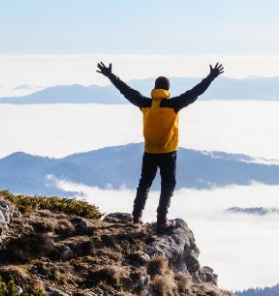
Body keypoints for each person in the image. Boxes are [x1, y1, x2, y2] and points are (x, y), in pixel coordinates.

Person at [96, 61, 224, 233]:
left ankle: (136, 218)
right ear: (167, 89)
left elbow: (125, 90)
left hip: (150, 151)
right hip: (168, 153)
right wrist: (211, 76)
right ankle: (162, 221)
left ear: (155, 88)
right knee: (167, 185)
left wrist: (110, 75)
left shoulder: (145, 103)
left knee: (144, 184)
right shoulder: (174, 104)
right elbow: (196, 92)